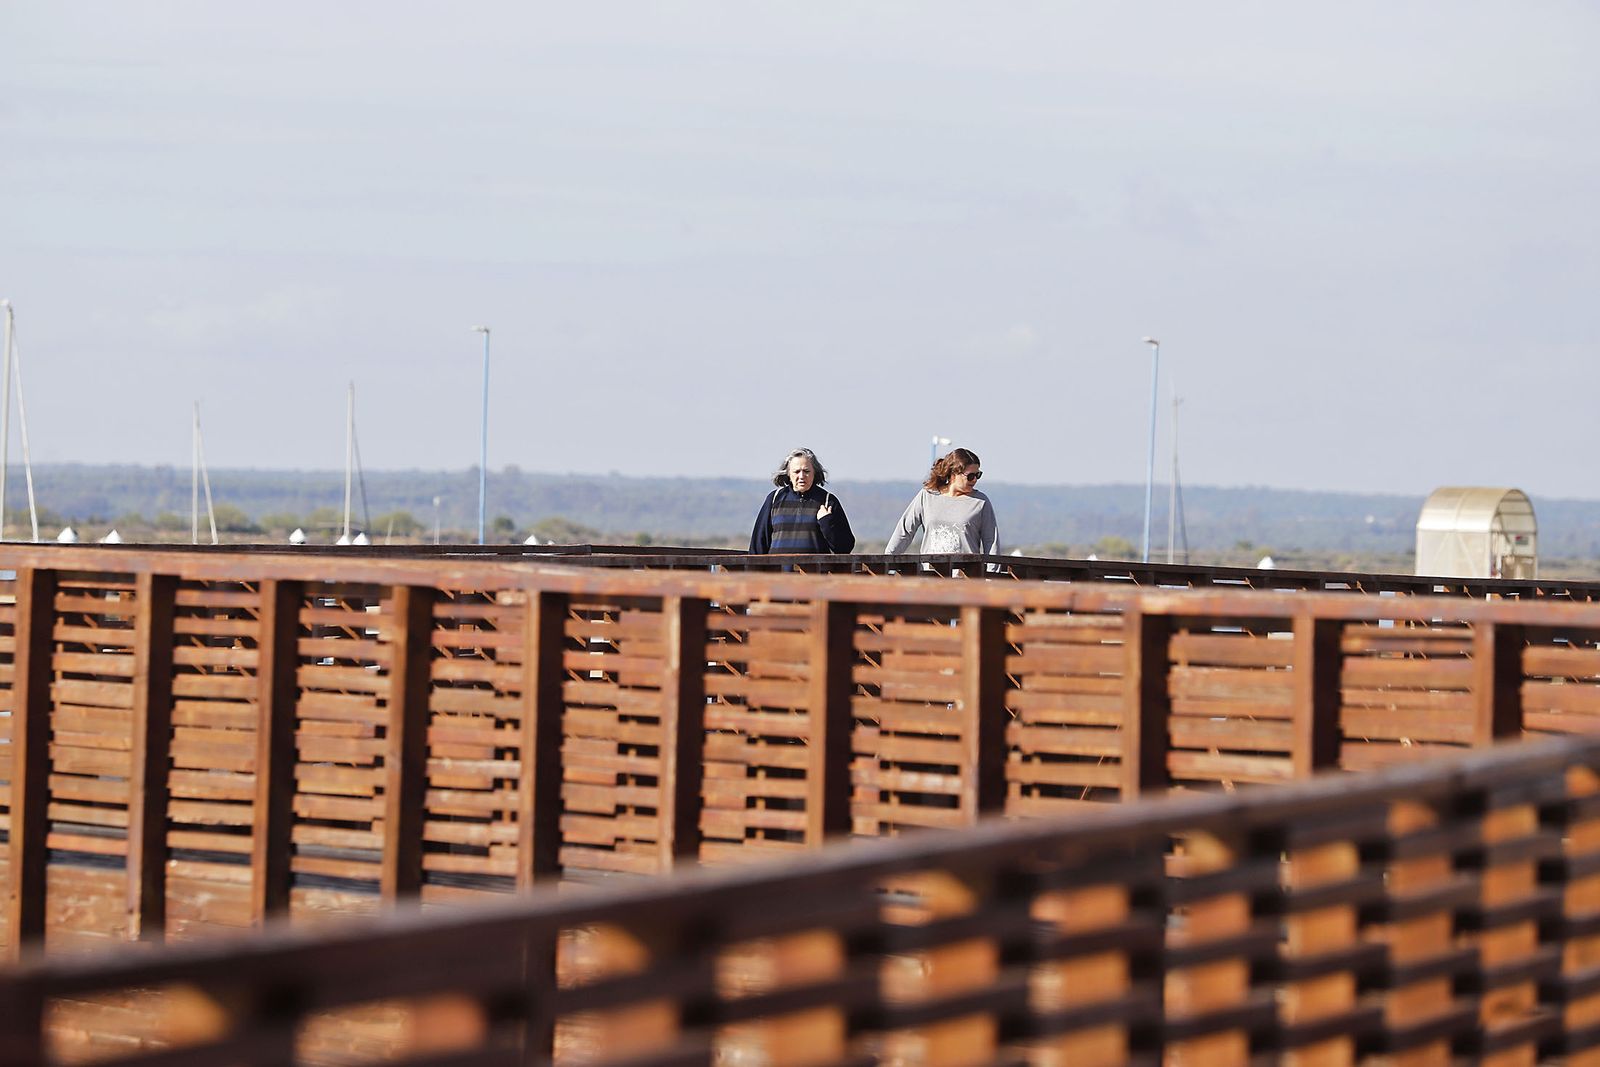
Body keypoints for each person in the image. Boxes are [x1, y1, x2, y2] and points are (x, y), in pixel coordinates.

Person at [886, 447, 999, 555]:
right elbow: (905, 532)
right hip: (929, 568)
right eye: (970, 476)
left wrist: (992, 568)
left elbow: (991, 541)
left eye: (977, 475)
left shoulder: (981, 502)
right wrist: (887, 561)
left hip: (967, 569)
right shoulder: (927, 496)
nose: (974, 480)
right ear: (954, 473)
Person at [749, 447, 856, 553]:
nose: (801, 476)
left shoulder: (828, 501)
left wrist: (827, 522)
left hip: (815, 565)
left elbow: (845, 548)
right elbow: (758, 545)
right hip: (778, 565)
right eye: (796, 471)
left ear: (814, 472)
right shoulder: (774, 499)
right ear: (788, 474)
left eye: (806, 471)